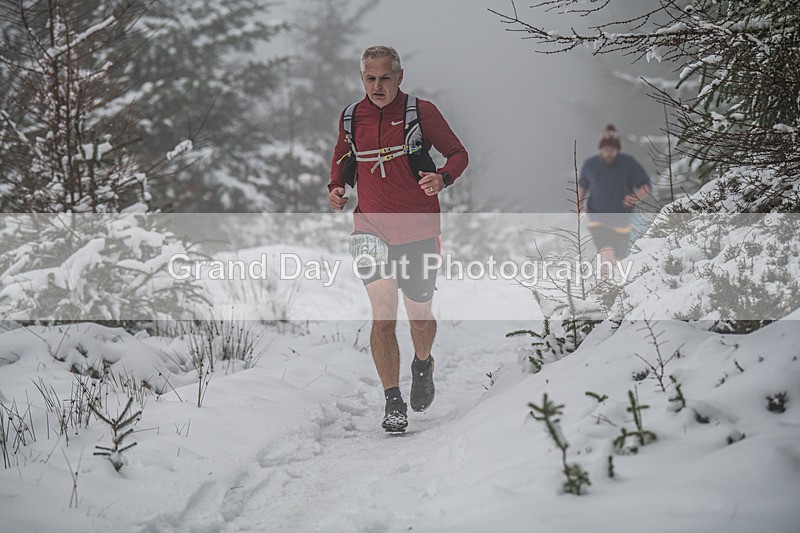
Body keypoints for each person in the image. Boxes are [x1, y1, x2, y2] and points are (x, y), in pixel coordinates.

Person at [328, 45, 468, 433]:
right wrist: (336, 187)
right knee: (383, 316)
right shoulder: (351, 116)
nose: (377, 86)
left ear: (400, 77)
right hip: (370, 229)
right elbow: (343, 157)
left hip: (420, 231)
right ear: (362, 79)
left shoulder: (421, 112)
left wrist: (443, 177)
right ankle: (393, 401)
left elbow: (458, 152)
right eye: (370, 78)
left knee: (419, 320)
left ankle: (423, 363)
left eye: (385, 78)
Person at [578, 124, 651, 271]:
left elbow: (645, 186)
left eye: (612, 150)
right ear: (600, 149)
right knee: (606, 253)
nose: (609, 153)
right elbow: (582, 185)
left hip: (622, 217)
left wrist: (636, 197)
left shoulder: (629, 163)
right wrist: (579, 203)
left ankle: (616, 288)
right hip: (597, 216)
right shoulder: (590, 164)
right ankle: (606, 285)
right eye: (606, 150)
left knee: (619, 258)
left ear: (618, 149)